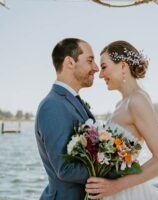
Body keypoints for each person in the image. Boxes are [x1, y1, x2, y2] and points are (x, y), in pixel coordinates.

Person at [85, 40, 158, 200]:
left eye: (104, 67)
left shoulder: (138, 100)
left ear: (123, 66)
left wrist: (116, 186)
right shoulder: (121, 104)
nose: (101, 75)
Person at [35, 38, 99, 200]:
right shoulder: (53, 105)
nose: (96, 68)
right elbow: (65, 169)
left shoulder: (69, 101)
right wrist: (114, 171)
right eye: (90, 61)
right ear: (70, 62)